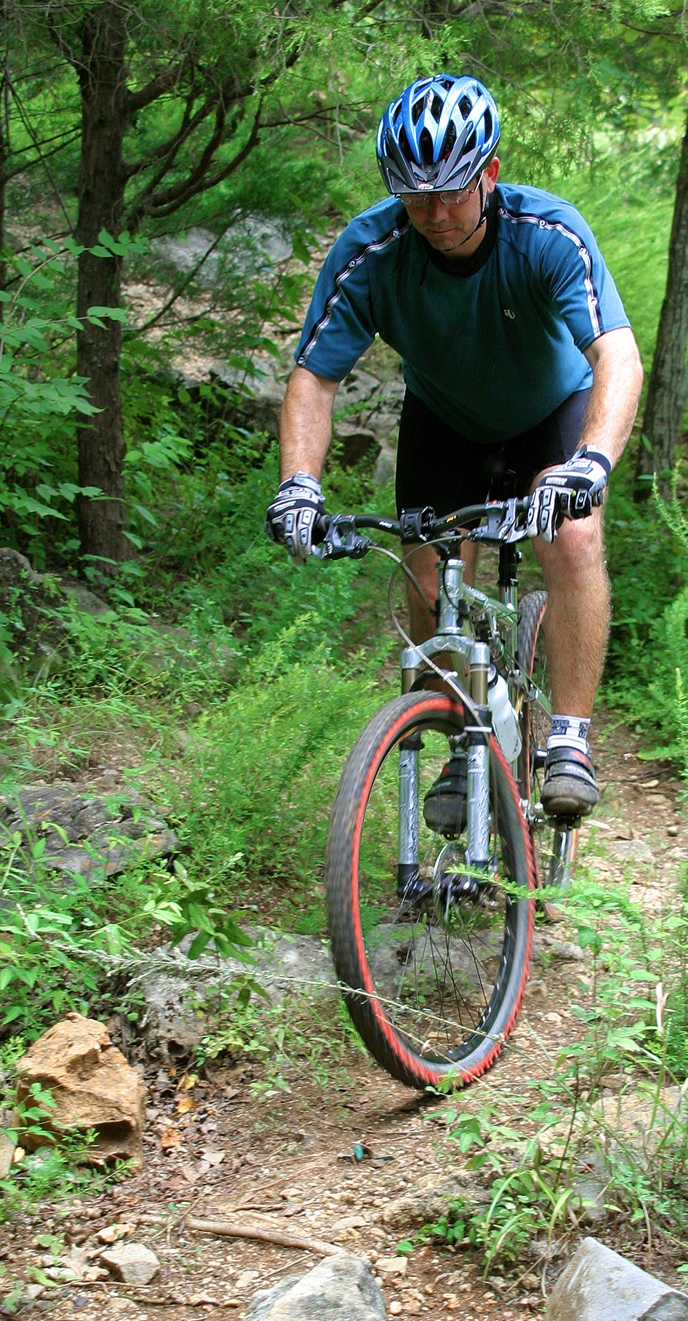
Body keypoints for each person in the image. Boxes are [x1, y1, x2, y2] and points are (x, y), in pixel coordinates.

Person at [266, 73, 643, 821]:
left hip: (550, 410)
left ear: (490, 174)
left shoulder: (547, 234)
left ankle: (569, 736)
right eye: (416, 198)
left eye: (452, 193)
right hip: (444, 420)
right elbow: (314, 377)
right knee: (428, 576)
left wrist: (591, 462)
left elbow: (618, 356)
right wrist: (299, 484)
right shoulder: (372, 251)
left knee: (572, 537)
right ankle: (456, 742)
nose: (436, 215)